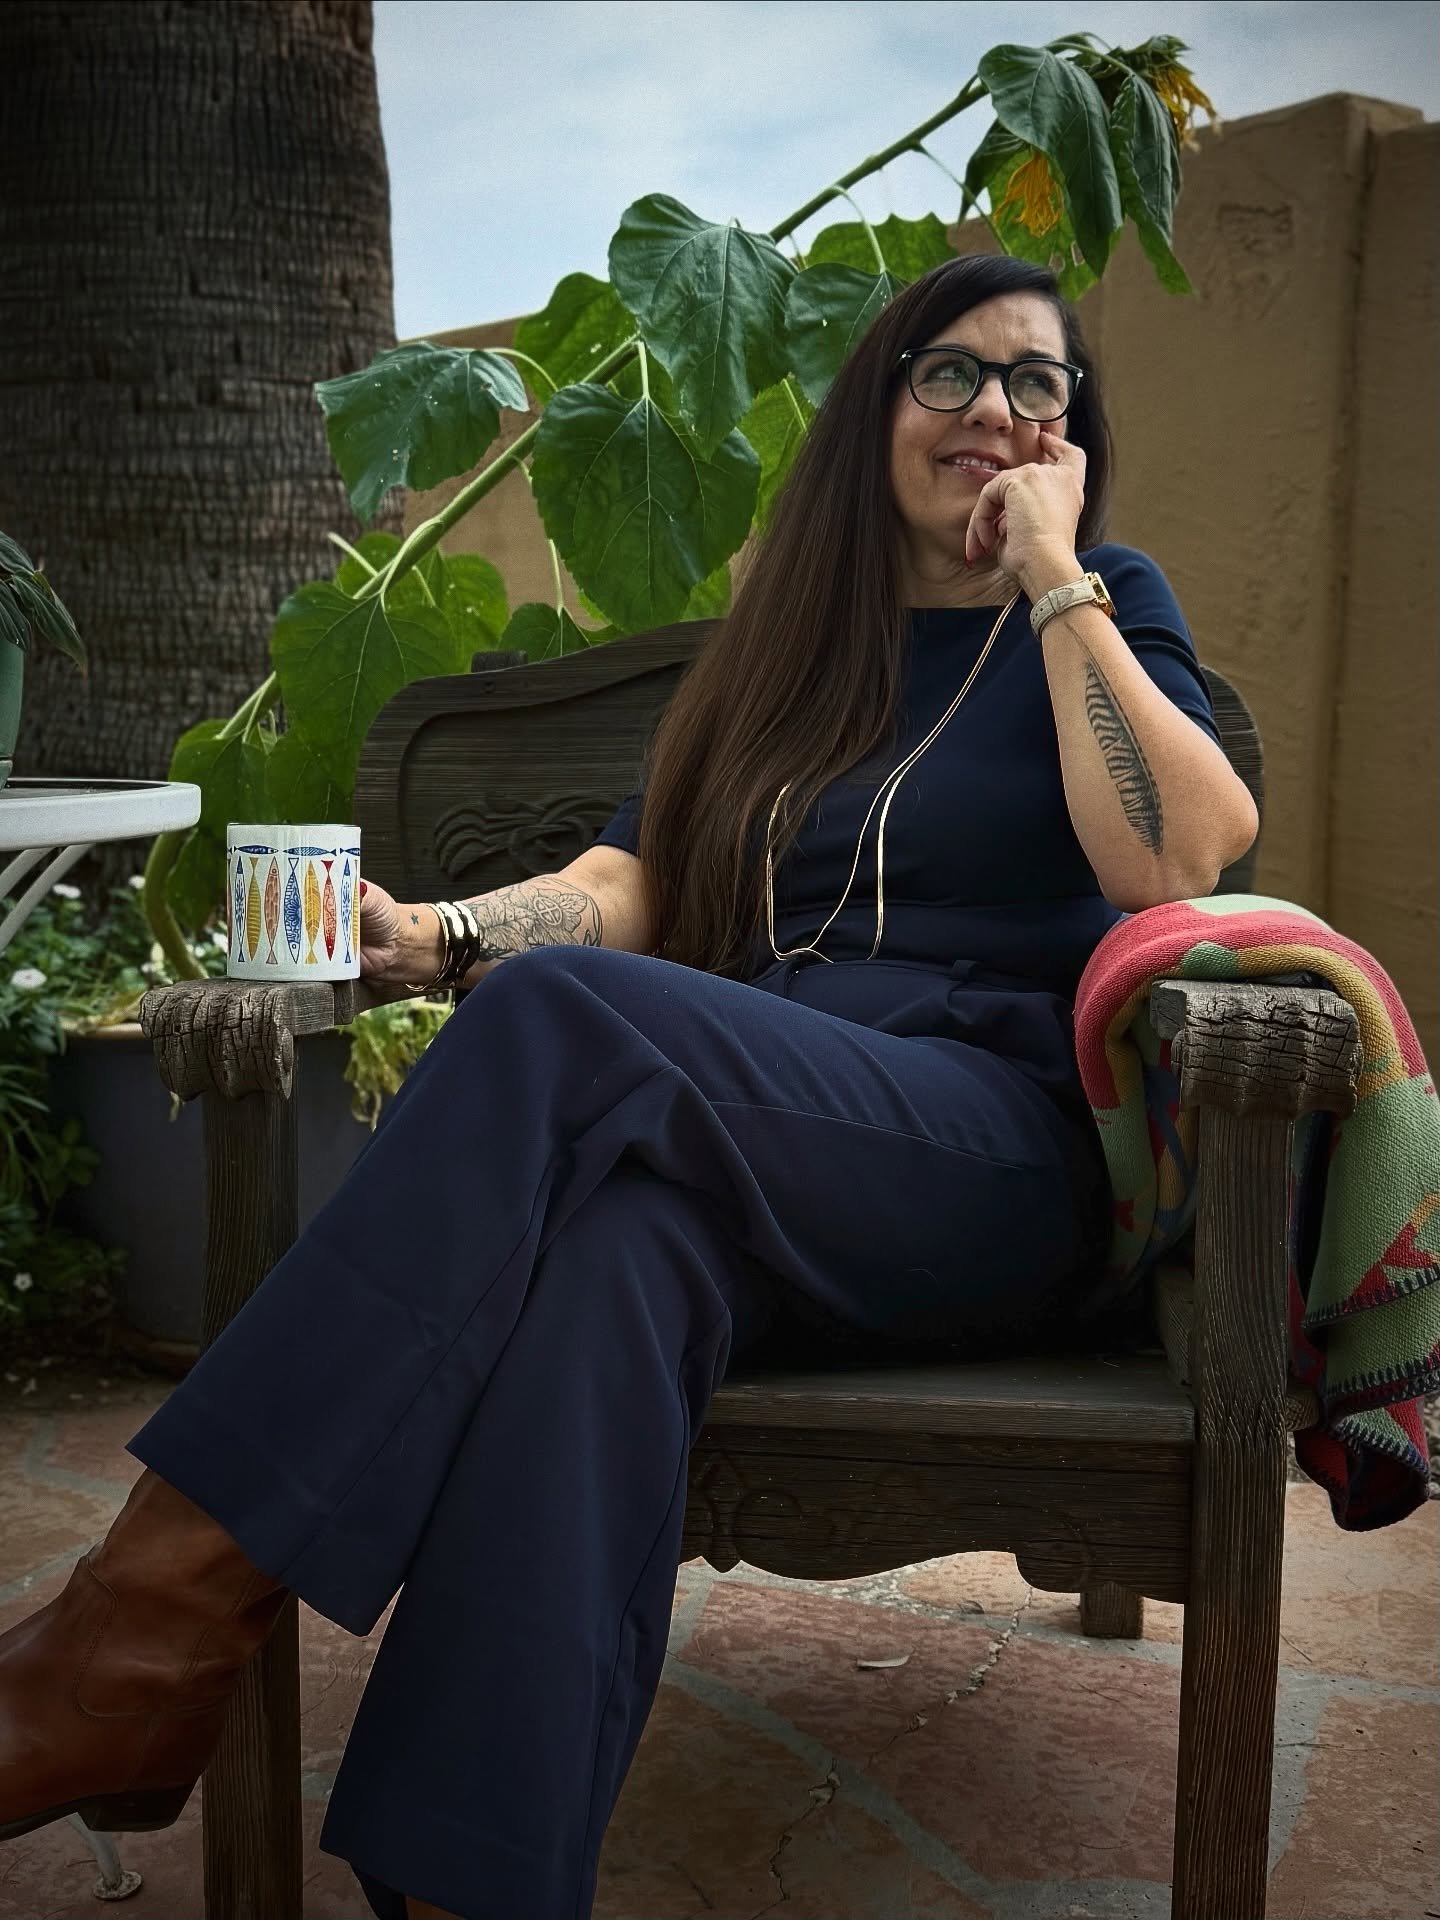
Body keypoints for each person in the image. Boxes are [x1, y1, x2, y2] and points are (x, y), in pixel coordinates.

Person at [0, 253, 1258, 1920]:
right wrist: (440, 936)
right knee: (616, 1263)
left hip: (990, 1157)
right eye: (950, 373)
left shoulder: (1105, 609)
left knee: (571, 1029)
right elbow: (624, 891)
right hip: (750, 1145)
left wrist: (1056, 578)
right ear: (876, 413)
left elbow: (1173, 855)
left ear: (1076, 438)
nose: (998, 412)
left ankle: (140, 1633)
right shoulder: (776, 661)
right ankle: (468, 1879)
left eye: (1043, 386)